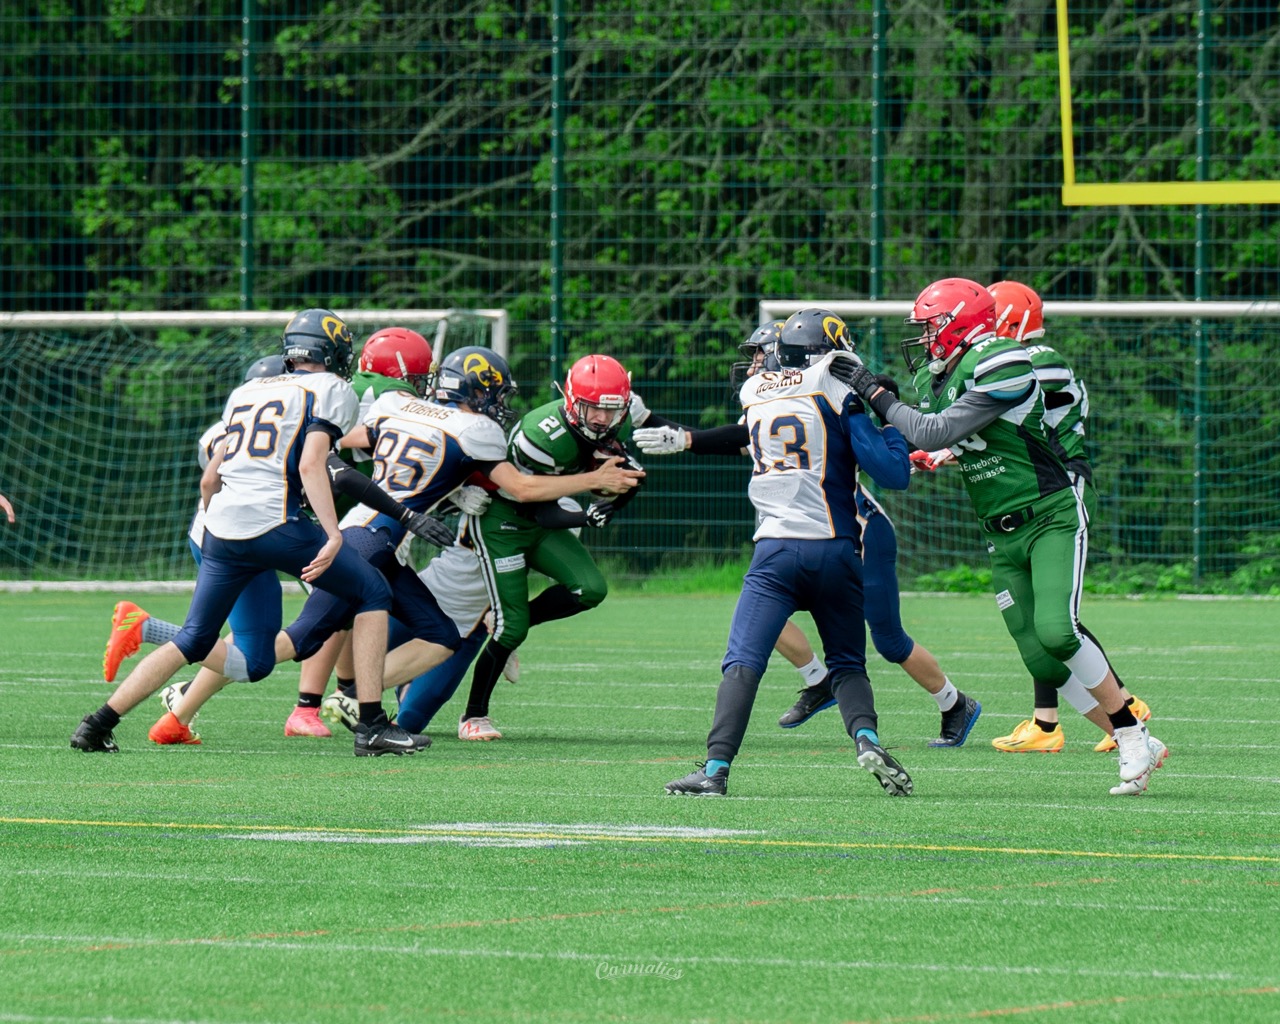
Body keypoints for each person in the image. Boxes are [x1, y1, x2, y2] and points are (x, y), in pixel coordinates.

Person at [146, 345, 643, 744]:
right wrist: (593, 480)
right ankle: (162, 648)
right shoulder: (474, 430)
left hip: (380, 540)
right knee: (290, 643)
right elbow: (521, 488)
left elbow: (343, 447)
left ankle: (346, 705)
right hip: (368, 539)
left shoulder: (397, 407)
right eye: (493, 394)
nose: (499, 405)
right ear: (475, 393)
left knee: (435, 634)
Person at [836, 278, 1167, 795]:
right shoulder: (938, 374)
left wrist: (877, 395)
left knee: (1058, 631)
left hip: (1048, 512)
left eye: (931, 327)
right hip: (998, 527)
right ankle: (1137, 739)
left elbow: (932, 429)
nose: (924, 338)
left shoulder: (1002, 358)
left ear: (960, 324)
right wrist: (919, 442)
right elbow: (951, 434)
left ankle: (1127, 733)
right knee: (1039, 657)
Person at [73, 308, 418, 757]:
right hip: (276, 523)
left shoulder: (247, 391)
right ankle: (371, 726)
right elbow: (312, 464)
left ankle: (96, 725)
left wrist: (225, 527)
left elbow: (209, 480)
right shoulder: (331, 388)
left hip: (221, 529)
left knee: (229, 653)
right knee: (372, 591)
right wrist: (333, 533)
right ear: (333, 352)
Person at [636, 323, 981, 748]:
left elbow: (877, 453)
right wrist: (671, 431)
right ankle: (819, 680)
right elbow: (736, 436)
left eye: (761, 354)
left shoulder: (828, 397)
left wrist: (892, 426)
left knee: (888, 640)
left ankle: (953, 702)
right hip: (808, 536)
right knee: (764, 616)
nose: (755, 365)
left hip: (858, 531)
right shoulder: (780, 400)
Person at [663, 308, 914, 797]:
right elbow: (893, 474)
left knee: (743, 661)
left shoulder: (754, 392)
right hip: (836, 550)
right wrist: (890, 425)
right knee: (847, 664)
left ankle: (715, 769)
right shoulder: (838, 390)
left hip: (775, 551)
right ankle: (866, 739)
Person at [982, 280, 1151, 754]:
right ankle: (1047, 720)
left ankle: (1125, 705)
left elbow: (999, 410)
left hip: (1059, 485)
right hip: (1038, 483)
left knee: (1057, 620)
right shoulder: (1021, 359)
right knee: (1039, 614)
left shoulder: (1037, 359)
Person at [454, 353, 646, 740]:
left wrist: (619, 493)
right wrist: (587, 512)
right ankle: (473, 716)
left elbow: (626, 475)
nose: (602, 419)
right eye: (593, 408)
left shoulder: (618, 422)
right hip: (503, 521)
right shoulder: (540, 437)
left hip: (544, 516)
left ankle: (506, 620)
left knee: (590, 589)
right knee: (511, 630)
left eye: (611, 410)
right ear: (572, 401)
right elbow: (538, 506)